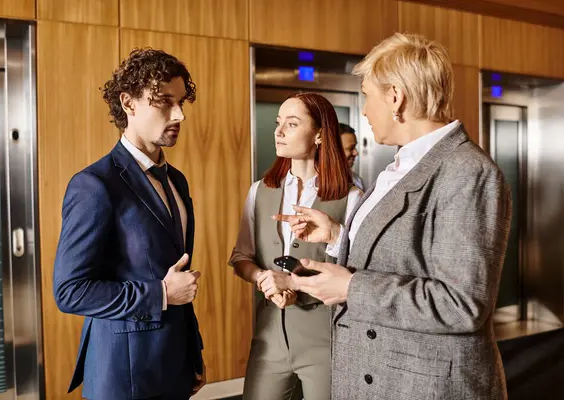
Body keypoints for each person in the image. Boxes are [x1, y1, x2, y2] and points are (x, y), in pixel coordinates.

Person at [276, 33, 512, 399]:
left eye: (369, 96)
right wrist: (339, 236)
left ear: (396, 97)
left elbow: (462, 304)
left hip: (423, 384)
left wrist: (350, 287)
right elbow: (401, 255)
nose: (366, 110)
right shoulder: (399, 165)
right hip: (379, 370)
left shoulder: (467, 171)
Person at [53, 48, 205, 400]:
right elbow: (70, 291)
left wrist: (192, 352)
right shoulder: (94, 184)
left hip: (174, 363)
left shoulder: (177, 180)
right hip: (124, 374)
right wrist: (162, 293)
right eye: (164, 101)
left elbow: (177, 271)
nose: (179, 113)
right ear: (128, 102)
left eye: (181, 101)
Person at [229, 93, 362, 400]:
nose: (279, 132)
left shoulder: (351, 197)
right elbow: (241, 257)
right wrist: (264, 279)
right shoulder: (259, 191)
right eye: (278, 123)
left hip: (328, 338)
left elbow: (359, 270)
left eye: (291, 124)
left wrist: (334, 235)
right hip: (270, 337)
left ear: (319, 134)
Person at [339, 122, 365, 190]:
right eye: (351, 148)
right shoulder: (313, 184)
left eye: (355, 147)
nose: (356, 153)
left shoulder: (357, 180)